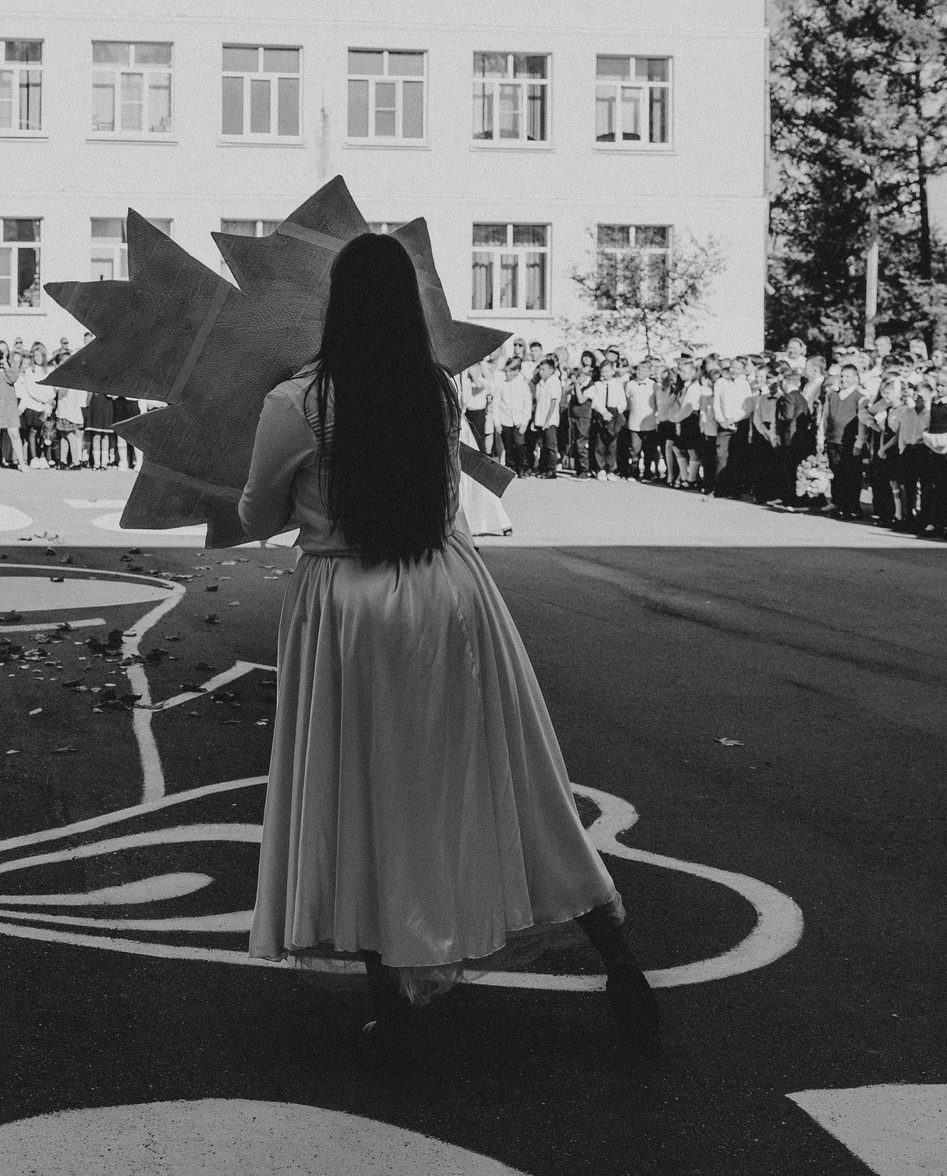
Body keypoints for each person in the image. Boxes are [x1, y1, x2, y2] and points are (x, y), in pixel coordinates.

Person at [236, 234, 655, 1054]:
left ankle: (390, 1003)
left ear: (336, 304)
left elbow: (259, 516)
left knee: (361, 793)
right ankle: (617, 953)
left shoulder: (296, 402)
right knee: (513, 778)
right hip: (449, 594)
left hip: (350, 606)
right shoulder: (434, 390)